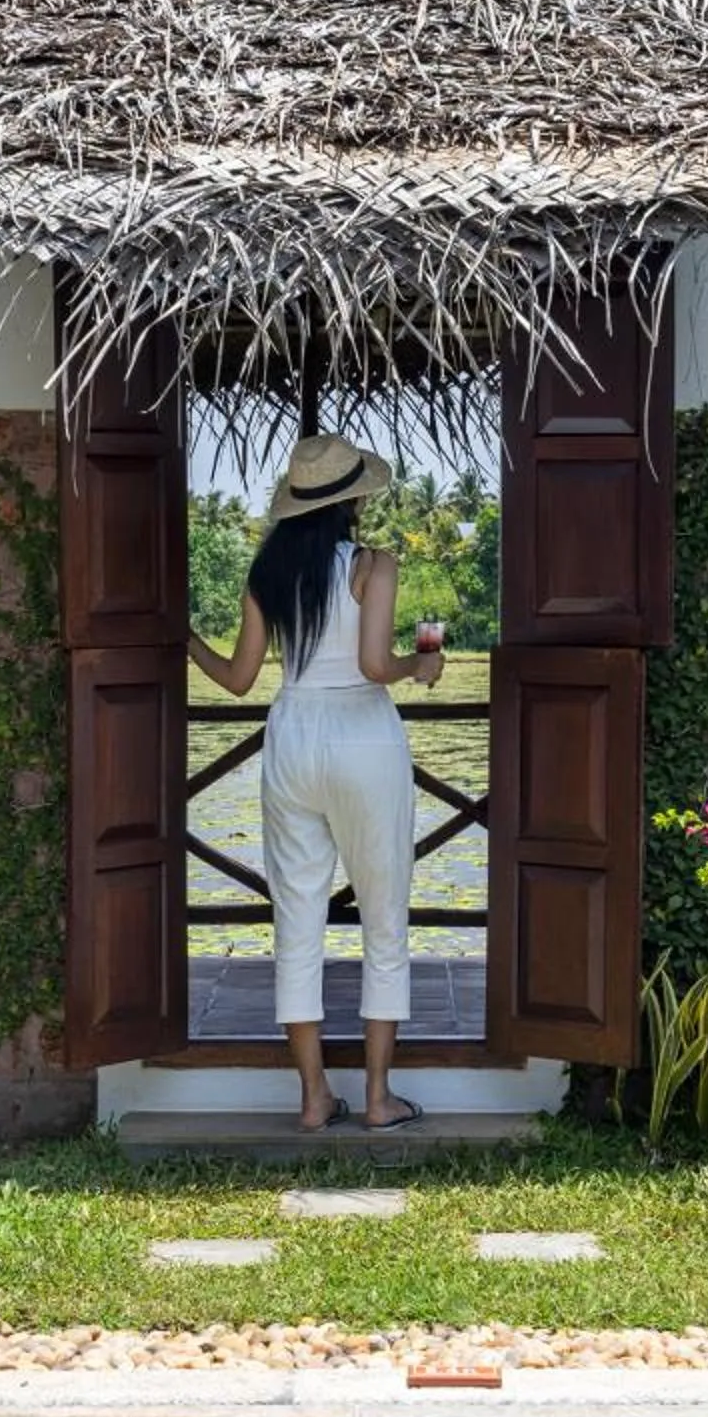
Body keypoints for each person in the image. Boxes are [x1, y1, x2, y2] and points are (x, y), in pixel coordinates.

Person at [189, 434, 445, 1131]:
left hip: (292, 734)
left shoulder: (266, 572)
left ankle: (311, 1097)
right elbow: (371, 665)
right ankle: (377, 1097)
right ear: (353, 500)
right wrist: (417, 670)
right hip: (363, 736)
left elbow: (240, 680)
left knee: (295, 919)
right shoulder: (374, 565)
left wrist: (181, 637)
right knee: (383, 914)